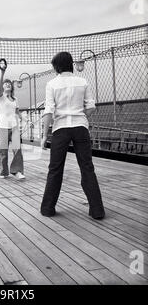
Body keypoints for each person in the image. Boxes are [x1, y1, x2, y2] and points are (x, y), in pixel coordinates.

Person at [40, 51, 105, 220]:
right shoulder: (82, 82)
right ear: (71, 64)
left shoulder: (52, 84)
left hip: (60, 129)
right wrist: (78, 115)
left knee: (55, 169)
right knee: (87, 168)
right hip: (80, 128)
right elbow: (91, 107)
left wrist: (43, 135)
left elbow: (49, 111)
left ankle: (48, 209)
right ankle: (97, 210)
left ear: (57, 67)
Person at [0, 61, 25, 180]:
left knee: (17, 150)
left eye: (9, 83)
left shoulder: (15, 99)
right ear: (3, 87)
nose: (7, 84)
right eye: (5, 83)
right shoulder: (1, 97)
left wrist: (24, 118)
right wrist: (2, 73)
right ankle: (4, 172)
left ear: (11, 86)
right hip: (3, 126)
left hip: (14, 126)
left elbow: (17, 112)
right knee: (3, 151)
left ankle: (17, 171)